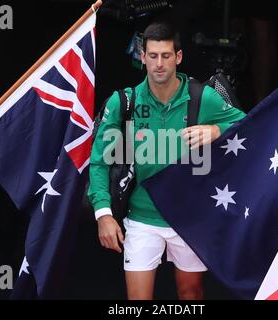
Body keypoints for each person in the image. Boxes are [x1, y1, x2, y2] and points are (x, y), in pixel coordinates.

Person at [88, 22, 245, 300]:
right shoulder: (124, 102)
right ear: (143, 56)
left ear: (179, 57)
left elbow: (251, 127)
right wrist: (103, 215)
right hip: (141, 218)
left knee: (191, 293)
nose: (159, 64)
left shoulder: (202, 98)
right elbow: (99, 161)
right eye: (153, 56)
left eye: (166, 55)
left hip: (190, 217)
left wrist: (216, 130)